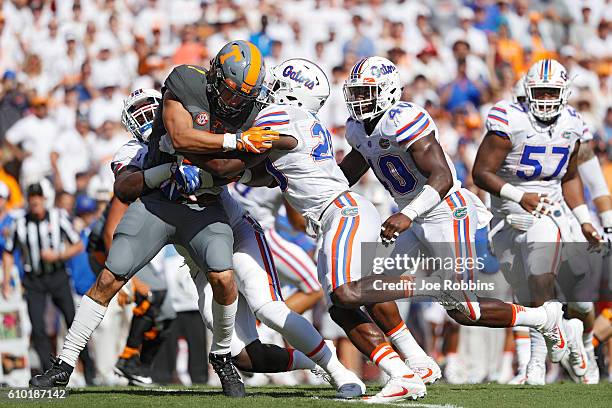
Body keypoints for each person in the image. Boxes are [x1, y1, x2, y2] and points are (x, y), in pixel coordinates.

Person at [29, 40, 277, 398]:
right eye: (140, 112)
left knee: (224, 279)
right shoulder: (144, 138)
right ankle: (65, 364)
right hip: (158, 206)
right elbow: (127, 188)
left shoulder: (223, 113)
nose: (148, 118)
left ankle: (222, 356)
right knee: (109, 279)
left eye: (152, 110)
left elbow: (229, 166)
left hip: (203, 208)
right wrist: (168, 170)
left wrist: (218, 163)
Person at [329, 57, 584, 384]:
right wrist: (324, 197)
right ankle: (419, 361)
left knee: (466, 310)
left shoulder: (403, 118)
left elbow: (443, 176)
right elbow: (352, 167)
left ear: (389, 91)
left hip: (448, 212)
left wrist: (407, 214)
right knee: (372, 287)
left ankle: (544, 318)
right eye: (357, 91)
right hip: (415, 217)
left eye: (368, 91)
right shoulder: (356, 129)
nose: (361, 98)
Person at [243, 58, 440, 403]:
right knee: (342, 305)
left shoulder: (281, 116)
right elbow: (267, 173)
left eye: (277, 85)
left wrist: (214, 153)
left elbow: (245, 154)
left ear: (292, 91)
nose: (269, 91)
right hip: (338, 213)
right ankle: (406, 371)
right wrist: (240, 173)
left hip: (342, 212)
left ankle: (427, 284)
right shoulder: (302, 119)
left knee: (346, 294)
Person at [472, 59, 601, 384]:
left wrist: (584, 219)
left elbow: (571, 176)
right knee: (528, 295)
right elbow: (480, 173)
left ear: (564, 93)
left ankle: (562, 355)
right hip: (506, 217)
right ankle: (545, 354)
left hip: (550, 212)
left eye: (551, 92)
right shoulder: (509, 119)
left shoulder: (573, 124)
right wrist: (518, 196)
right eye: (539, 91)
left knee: (579, 301)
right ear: (528, 91)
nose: (544, 98)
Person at [2, 183, 95, 383]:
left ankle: (89, 369)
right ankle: (47, 374)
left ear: (44, 199)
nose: (35, 203)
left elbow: (78, 244)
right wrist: (6, 282)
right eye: (31, 199)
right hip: (34, 280)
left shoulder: (58, 217)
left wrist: (58, 255)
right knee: (38, 328)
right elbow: (9, 252)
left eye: (38, 198)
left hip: (57, 276)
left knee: (74, 322)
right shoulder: (20, 223)